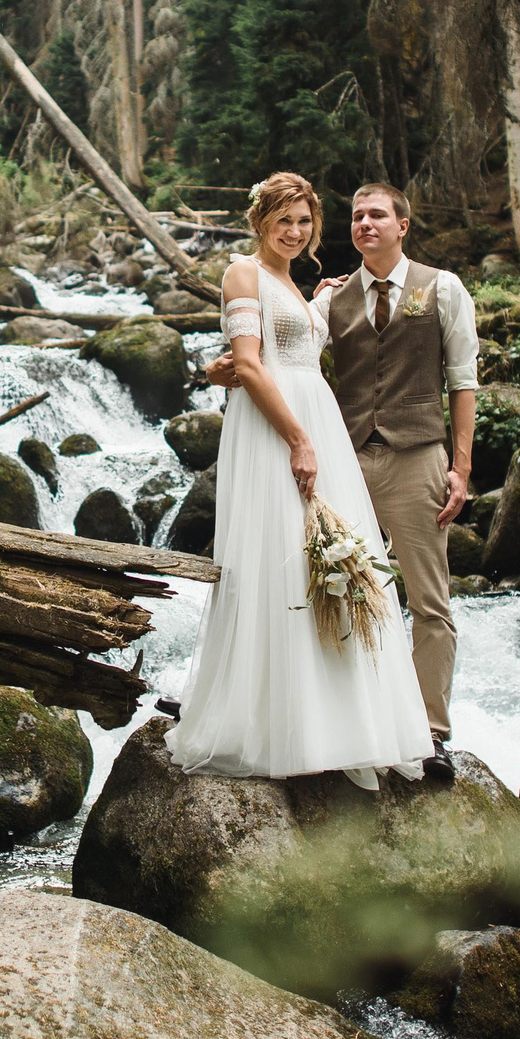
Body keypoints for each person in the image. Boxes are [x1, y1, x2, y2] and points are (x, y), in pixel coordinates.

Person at [167, 172, 436, 791]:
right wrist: (297, 439)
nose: (295, 231)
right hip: (276, 428)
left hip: (315, 419)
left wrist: (316, 304)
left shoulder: (292, 280)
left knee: (336, 562)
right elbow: (254, 367)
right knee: (283, 561)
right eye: (283, 220)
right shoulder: (242, 272)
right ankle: (280, 725)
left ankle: (344, 724)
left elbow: (290, 345)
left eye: (305, 221)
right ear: (260, 220)